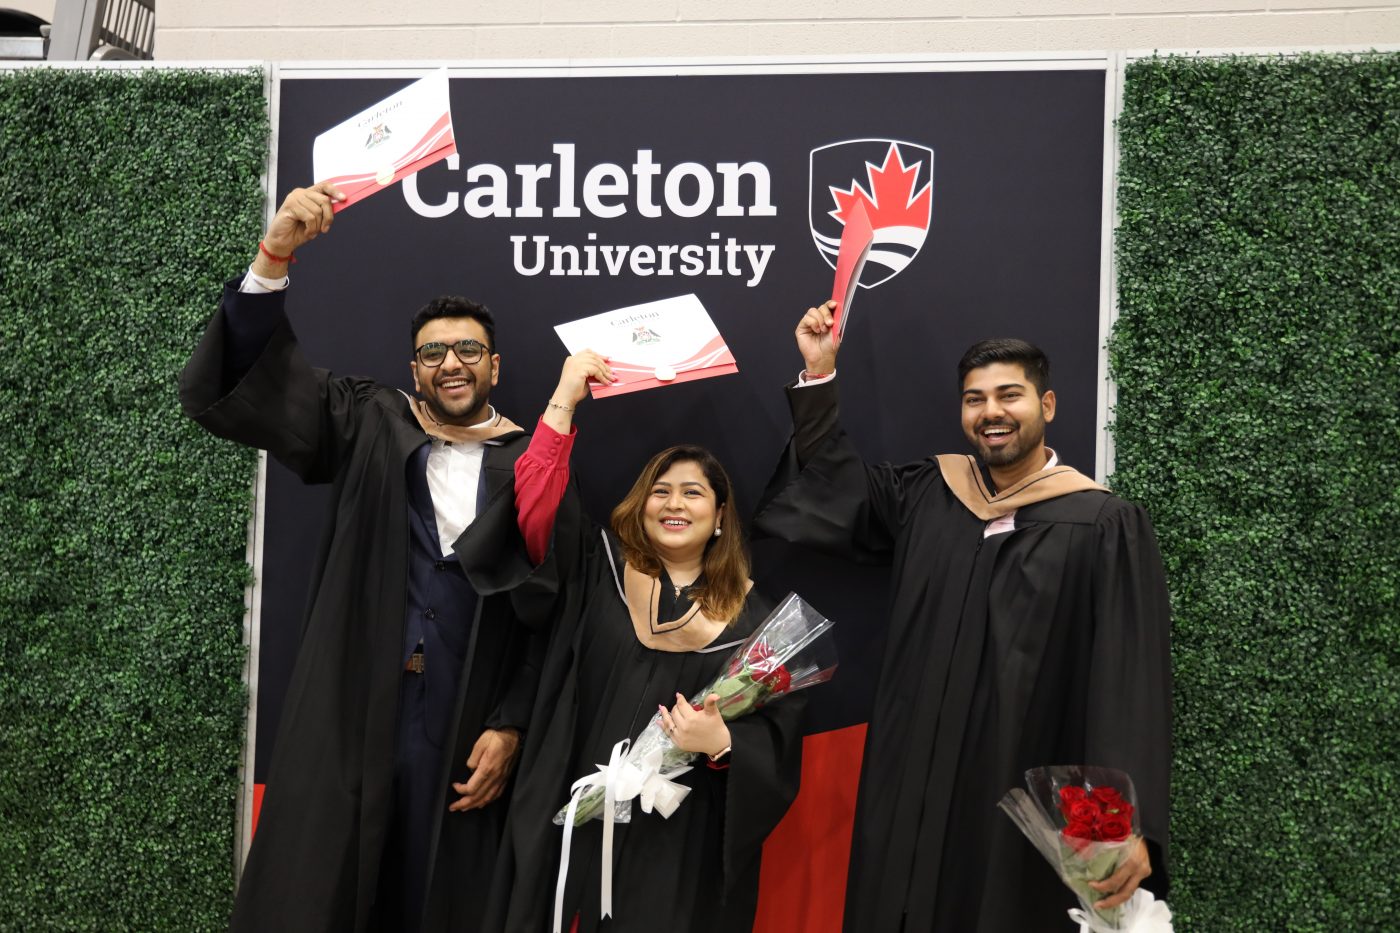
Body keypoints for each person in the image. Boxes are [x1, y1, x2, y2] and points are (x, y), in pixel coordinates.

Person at [179, 182, 540, 933]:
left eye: (468, 349)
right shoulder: (372, 420)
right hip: (357, 705)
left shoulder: (534, 465)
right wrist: (274, 254)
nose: (451, 362)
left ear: (494, 367)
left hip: (466, 714)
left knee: (446, 894)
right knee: (334, 887)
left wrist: (510, 725)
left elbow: (555, 612)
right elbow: (252, 376)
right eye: (433, 351)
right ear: (414, 369)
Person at [752, 300, 1171, 932]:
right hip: (908, 776)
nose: (991, 412)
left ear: (1047, 406)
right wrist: (819, 376)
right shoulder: (932, 493)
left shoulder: (1101, 523)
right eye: (975, 400)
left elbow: (1126, 683)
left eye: (1009, 396)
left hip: (1014, 783)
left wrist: (1119, 829)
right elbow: (836, 498)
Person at [455, 351, 806, 933]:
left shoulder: (757, 625)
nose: (674, 504)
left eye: (693, 493)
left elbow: (776, 741)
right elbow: (535, 511)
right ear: (639, 506)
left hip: (675, 848)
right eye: (660, 491)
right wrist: (565, 397)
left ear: (720, 516)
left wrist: (722, 742)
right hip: (571, 822)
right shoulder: (599, 572)